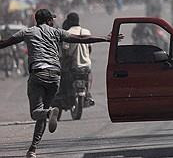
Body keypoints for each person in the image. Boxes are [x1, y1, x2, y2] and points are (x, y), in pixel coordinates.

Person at [0, 9, 116, 158]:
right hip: (55, 76)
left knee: (36, 113)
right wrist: (105, 39)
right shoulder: (56, 32)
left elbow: (5, 43)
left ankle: (49, 113)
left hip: (38, 75)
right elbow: (81, 39)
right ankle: (33, 149)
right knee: (42, 114)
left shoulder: (27, 32)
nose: (53, 21)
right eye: (52, 19)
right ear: (48, 20)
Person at [61, 12, 94, 106]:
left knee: (64, 79)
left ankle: (67, 96)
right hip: (87, 65)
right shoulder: (86, 32)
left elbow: (65, 51)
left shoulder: (67, 33)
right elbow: (89, 49)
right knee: (88, 78)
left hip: (73, 66)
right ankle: (88, 94)